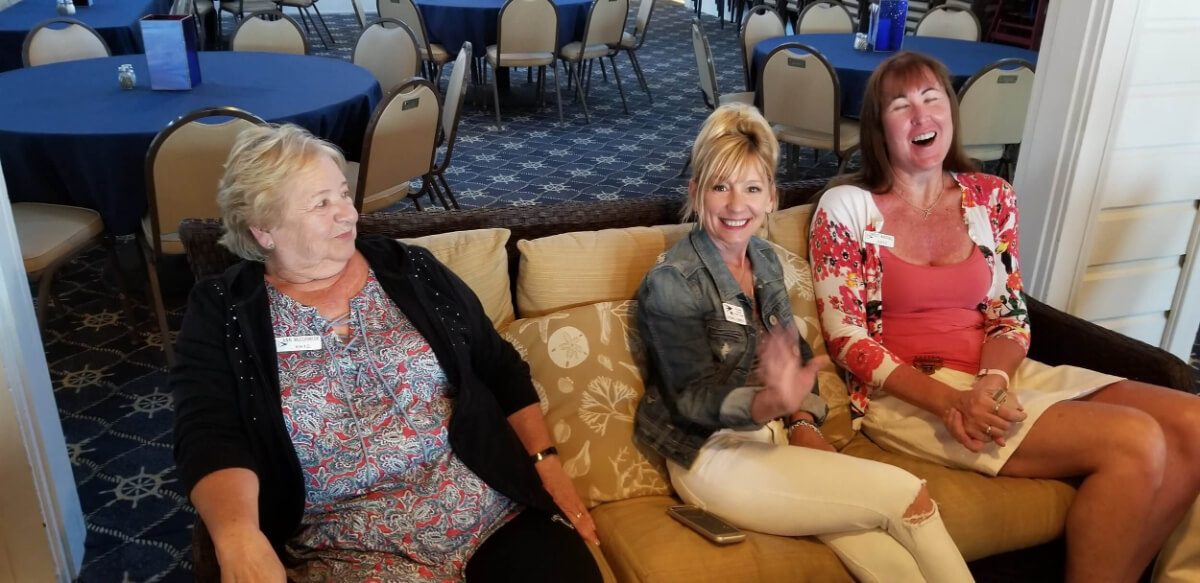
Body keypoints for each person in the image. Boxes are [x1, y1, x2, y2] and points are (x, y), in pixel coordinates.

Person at [809, 51, 1200, 583]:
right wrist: (953, 401)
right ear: (880, 128)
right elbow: (847, 338)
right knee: (1135, 438)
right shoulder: (845, 207)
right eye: (901, 105)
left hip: (998, 376)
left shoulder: (991, 197)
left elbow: (1010, 313)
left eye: (932, 98)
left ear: (951, 112)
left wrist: (992, 381)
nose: (921, 115)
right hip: (913, 396)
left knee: (1193, 423)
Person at [170, 124, 603, 582]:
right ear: (264, 230)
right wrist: (237, 535)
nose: (348, 214)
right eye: (321, 203)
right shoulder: (223, 309)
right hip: (345, 545)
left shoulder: (410, 269)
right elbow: (208, 430)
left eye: (343, 194)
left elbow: (499, 366)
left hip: (488, 510)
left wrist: (544, 461)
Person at [634, 102, 974, 583]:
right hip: (710, 457)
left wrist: (800, 420)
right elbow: (690, 400)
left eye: (752, 188)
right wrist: (768, 402)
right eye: (720, 187)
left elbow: (793, 352)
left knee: (892, 562)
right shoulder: (672, 280)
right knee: (907, 496)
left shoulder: (764, 260)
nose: (736, 205)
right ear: (695, 192)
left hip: (771, 438)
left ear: (771, 198)